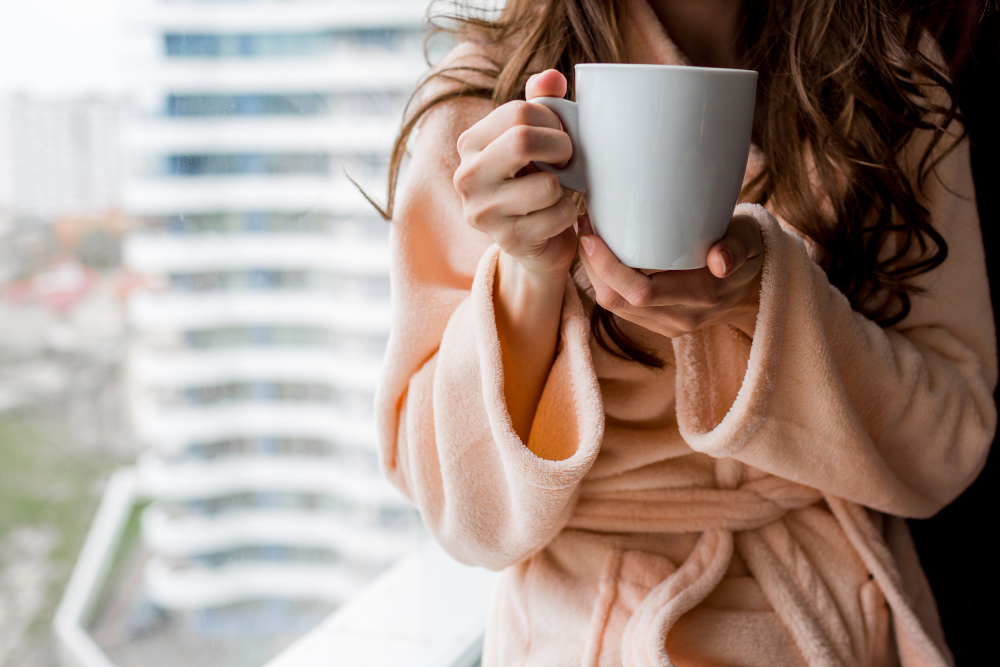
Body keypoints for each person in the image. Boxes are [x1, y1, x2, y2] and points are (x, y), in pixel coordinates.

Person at [370, 0, 997, 664]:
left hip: (833, 619)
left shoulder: (889, 77)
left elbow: (947, 448)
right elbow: (463, 521)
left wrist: (768, 302)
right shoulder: (487, 106)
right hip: (583, 636)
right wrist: (527, 276)